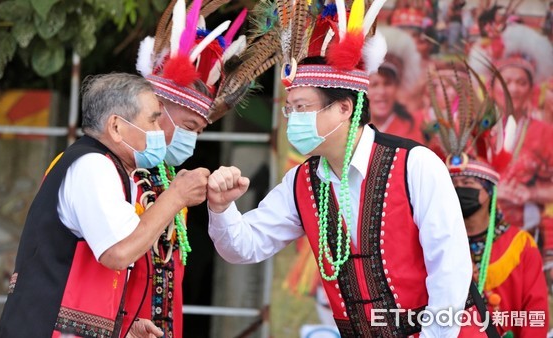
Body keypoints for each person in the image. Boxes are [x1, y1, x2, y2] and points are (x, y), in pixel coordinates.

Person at [206, 1, 479, 336]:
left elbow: (449, 269)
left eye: (302, 107)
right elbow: (244, 246)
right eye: (289, 110)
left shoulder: (416, 165)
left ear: (344, 108)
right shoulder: (302, 182)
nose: (293, 119)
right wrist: (221, 207)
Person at [0, 73, 210, 337]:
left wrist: (121, 328)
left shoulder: (115, 170)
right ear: (116, 127)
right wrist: (176, 196)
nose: (159, 133)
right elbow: (119, 252)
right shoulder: (93, 166)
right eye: (153, 120)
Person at [133, 1, 275, 336]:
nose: (190, 140)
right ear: (156, 109)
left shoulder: (163, 176)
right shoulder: (101, 165)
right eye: (189, 127)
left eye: (198, 131)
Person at [428, 64, 550, 336]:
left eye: (468, 183)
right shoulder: (433, 243)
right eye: (453, 184)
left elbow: (535, 316)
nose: (460, 190)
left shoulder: (519, 246)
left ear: (489, 192)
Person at [469, 23, 553, 280]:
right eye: (507, 82)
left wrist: (530, 192)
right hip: (474, 231)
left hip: (525, 231)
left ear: (531, 88)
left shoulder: (545, 132)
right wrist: (492, 191)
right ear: (493, 87)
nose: (513, 89)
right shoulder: (474, 131)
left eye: (521, 82)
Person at [368, 25, 424, 142]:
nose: (382, 92)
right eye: (374, 84)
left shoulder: (414, 127)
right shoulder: (352, 128)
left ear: (397, 86)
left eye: (388, 84)